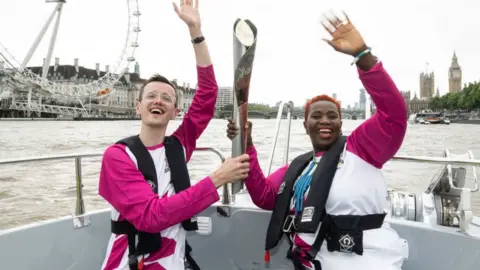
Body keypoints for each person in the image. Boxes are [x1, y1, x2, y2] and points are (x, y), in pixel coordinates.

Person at [226, 12, 408, 270]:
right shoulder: (299, 168)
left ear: (340, 124)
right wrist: (248, 144)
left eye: (332, 116)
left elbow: (394, 114)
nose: (324, 121)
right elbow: (265, 196)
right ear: (306, 124)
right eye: (317, 116)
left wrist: (362, 56)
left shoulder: (362, 149)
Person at [98, 0, 250, 269]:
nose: (158, 101)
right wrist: (217, 178)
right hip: (132, 263)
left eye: (166, 98)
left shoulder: (178, 146)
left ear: (175, 111)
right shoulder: (118, 157)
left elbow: (207, 95)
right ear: (138, 106)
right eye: (151, 96)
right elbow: (150, 217)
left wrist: (196, 31)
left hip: (174, 260)